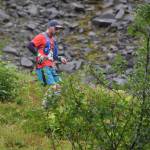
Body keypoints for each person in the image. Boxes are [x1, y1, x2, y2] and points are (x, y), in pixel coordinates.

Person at [27, 20, 67, 91]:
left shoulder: (52, 40)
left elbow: (53, 56)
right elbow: (30, 45)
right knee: (54, 88)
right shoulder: (41, 36)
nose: (57, 31)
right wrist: (39, 55)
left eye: (58, 29)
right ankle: (45, 102)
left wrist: (60, 58)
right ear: (50, 27)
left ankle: (47, 101)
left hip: (51, 68)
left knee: (61, 87)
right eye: (56, 28)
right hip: (43, 67)